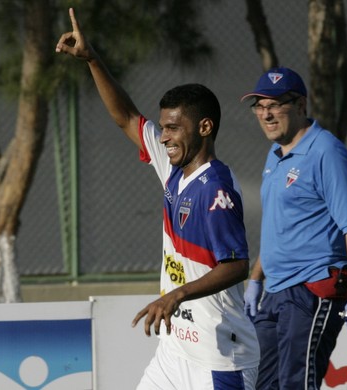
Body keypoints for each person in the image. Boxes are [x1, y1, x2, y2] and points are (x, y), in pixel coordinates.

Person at [56, 8, 259, 390]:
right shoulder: (171, 166)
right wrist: (92, 59)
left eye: (172, 128)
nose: (163, 136)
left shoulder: (215, 188)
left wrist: (177, 295)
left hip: (218, 358)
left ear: (204, 127)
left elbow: (235, 266)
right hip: (174, 352)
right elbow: (126, 117)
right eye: (162, 128)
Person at [240, 67, 347, 390]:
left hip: (312, 290)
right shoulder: (275, 154)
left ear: (300, 105)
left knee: (297, 384)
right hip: (274, 292)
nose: (266, 114)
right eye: (259, 105)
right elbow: (279, 228)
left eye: (275, 105)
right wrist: (256, 278)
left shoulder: (326, 152)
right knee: (261, 383)